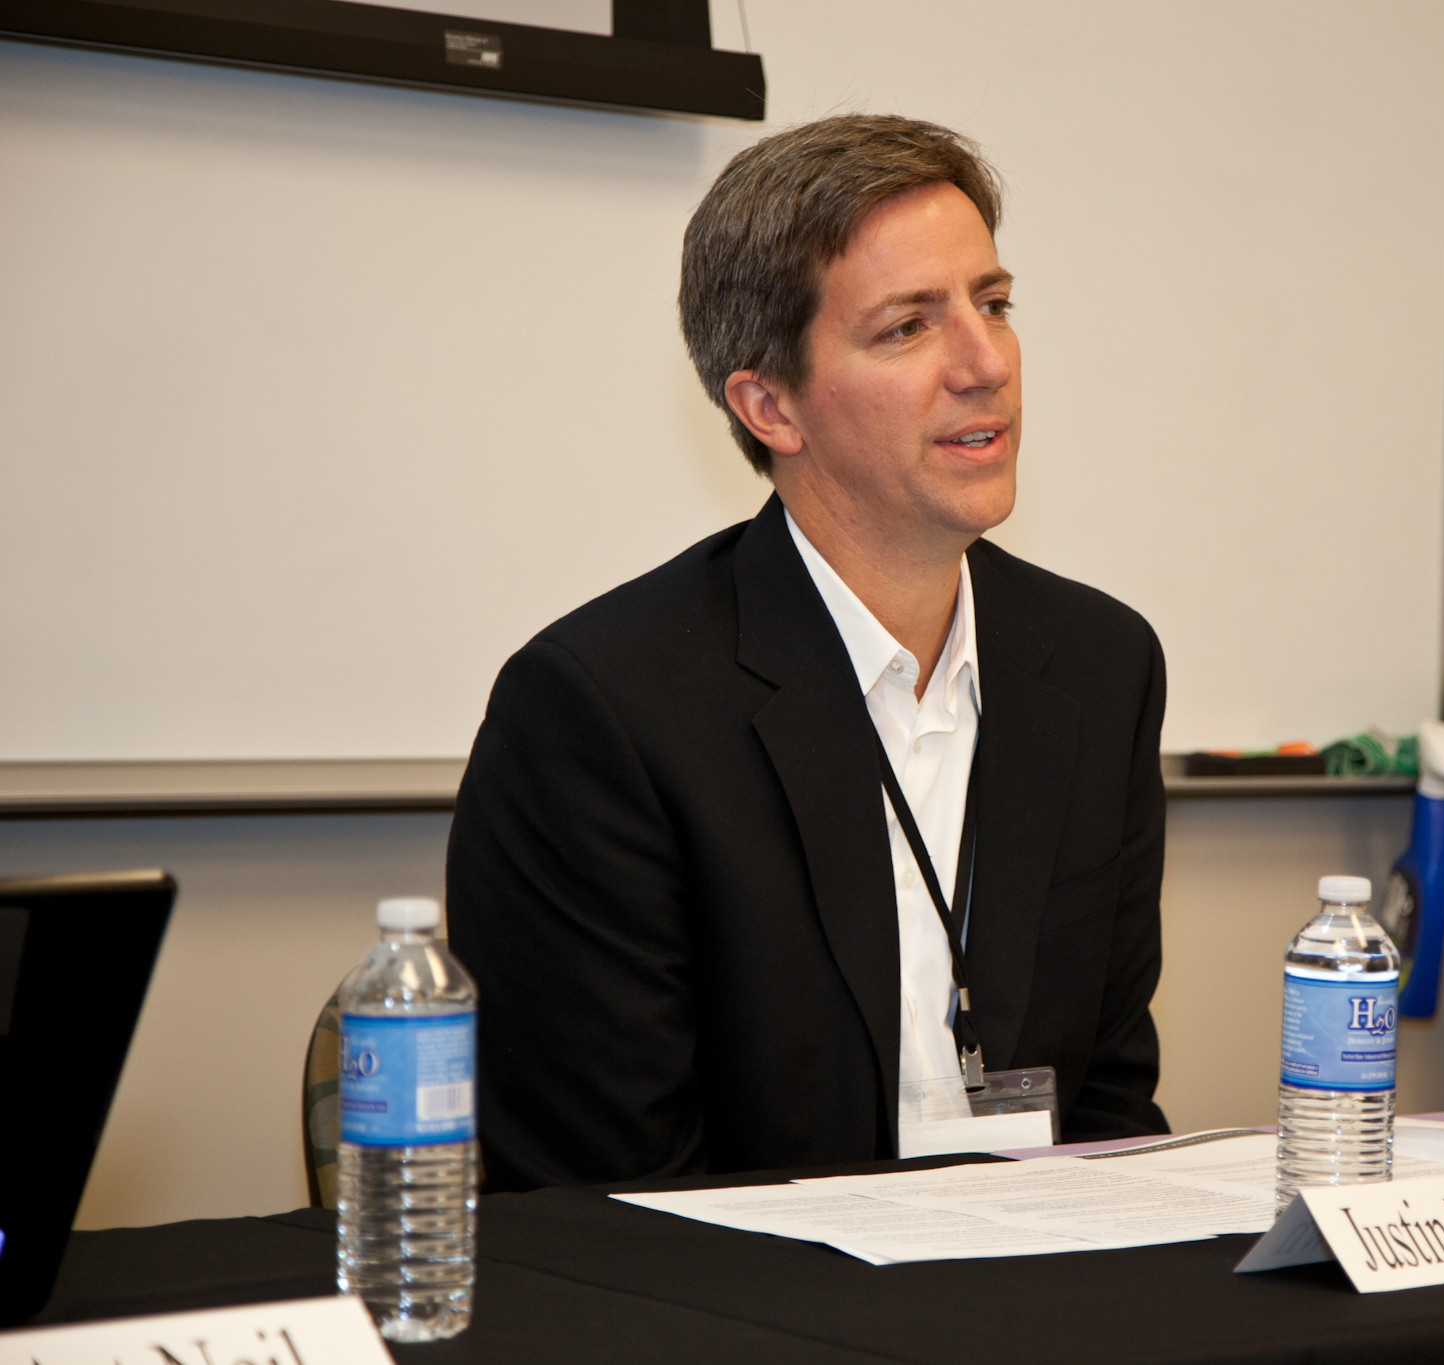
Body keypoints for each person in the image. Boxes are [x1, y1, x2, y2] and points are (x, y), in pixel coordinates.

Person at [447, 114, 1170, 1193]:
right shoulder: (601, 710)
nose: (985, 364)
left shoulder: (1099, 665)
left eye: (993, 303)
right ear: (768, 405)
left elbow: (1107, 1102)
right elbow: (603, 1197)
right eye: (906, 329)